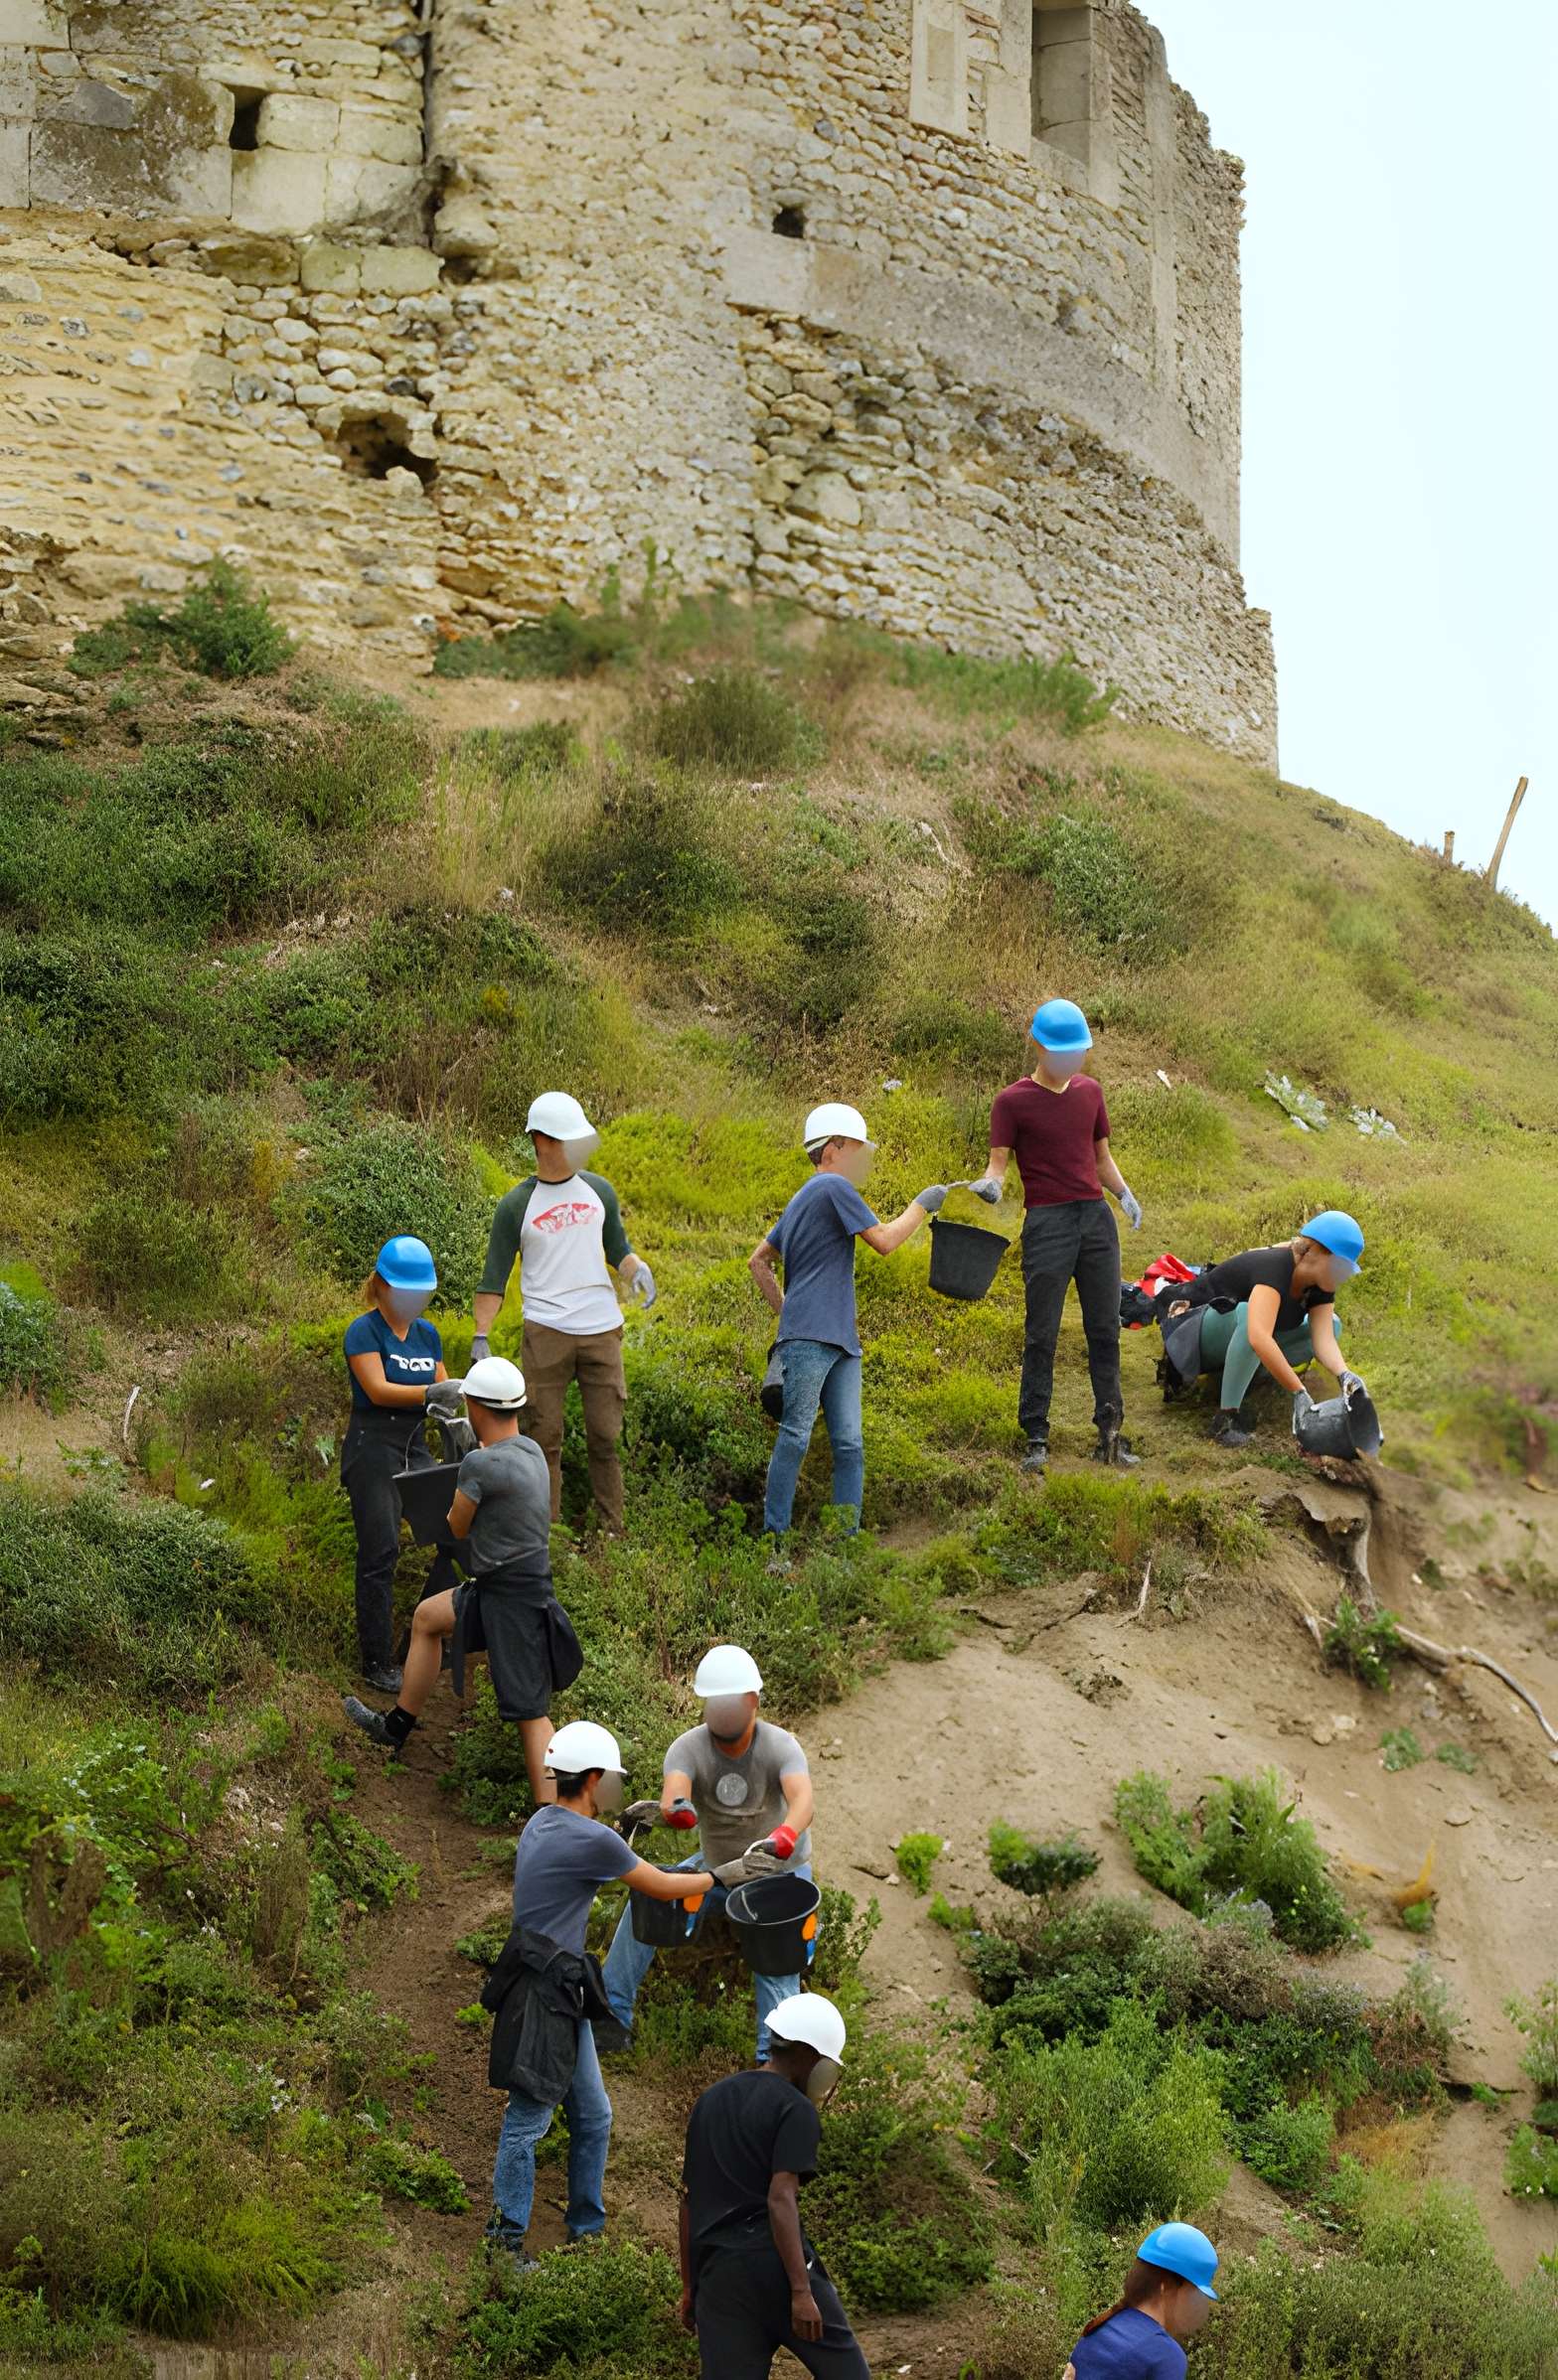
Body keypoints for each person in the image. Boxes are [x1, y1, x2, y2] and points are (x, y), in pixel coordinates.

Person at [482, 1719, 716, 2267]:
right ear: (590, 1778)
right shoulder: (593, 1839)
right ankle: (503, 2245)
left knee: (593, 2114)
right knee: (527, 2121)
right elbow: (660, 1885)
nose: (613, 1788)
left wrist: (624, 1830)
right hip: (547, 1995)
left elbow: (588, 1866)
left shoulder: (543, 1821)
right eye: (608, 1780)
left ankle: (586, 2229)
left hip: (556, 1989)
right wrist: (721, 1875)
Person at [342, 1357, 577, 1809]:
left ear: (474, 1407)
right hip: (500, 1587)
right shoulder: (531, 1452)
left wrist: (459, 1482)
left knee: (531, 1713)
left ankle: (554, 1820)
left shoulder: (477, 1465)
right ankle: (396, 1728)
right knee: (428, 1618)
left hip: (514, 1598)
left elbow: (457, 1526)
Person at [602, 1644, 815, 2058]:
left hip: (779, 1875)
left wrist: (786, 1835)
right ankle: (611, 2017)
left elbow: (802, 1799)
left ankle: (772, 2060)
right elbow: (676, 1789)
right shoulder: (688, 1748)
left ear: (752, 1702)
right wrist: (675, 1810)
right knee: (650, 1897)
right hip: (718, 1869)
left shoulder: (780, 1746)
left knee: (776, 1960)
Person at [750, 1101, 946, 1544]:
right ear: (833, 1148)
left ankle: (842, 1541)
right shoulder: (833, 1188)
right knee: (802, 1436)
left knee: (846, 1443)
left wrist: (788, 1313)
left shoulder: (803, 1197)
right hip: (816, 1338)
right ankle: (778, 1541)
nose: (862, 1160)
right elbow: (885, 1241)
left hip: (838, 1340)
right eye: (857, 1149)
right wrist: (922, 1205)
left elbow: (758, 1261)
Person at [470, 1091, 654, 1538]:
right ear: (540, 1140)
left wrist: (636, 1270)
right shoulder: (516, 1205)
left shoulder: (599, 1192)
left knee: (606, 1437)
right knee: (542, 1439)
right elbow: (495, 1276)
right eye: (565, 1138)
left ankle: (613, 1532)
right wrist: (481, 1335)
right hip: (546, 1331)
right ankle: (547, 1540)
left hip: (600, 1330)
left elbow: (617, 1249)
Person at [973, 998, 1143, 1476]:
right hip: (1047, 1222)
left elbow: (1101, 1157)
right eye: (1065, 1051)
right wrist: (991, 1186)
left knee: (1105, 1327)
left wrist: (1124, 1194)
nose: (1074, 1061)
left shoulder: (1090, 1092)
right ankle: (1036, 1436)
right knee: (1042, 1332)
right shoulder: (1011, 1101)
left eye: (1079, 1052)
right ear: (1041, 1047)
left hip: (1095, 1220)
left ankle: (1110, 1432)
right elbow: (998, 1164)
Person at [680, 1994, 867, 2380]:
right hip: (776, 2267)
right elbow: (780, 2199)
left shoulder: (710, 2100)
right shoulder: (796, 2110)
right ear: (808, 2054)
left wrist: (690, 2287)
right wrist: (801, 2291)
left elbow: (688, 2203)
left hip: (720, 2279)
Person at [340, 1235, 465, 1694]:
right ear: (384, 1286)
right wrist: (432, 1394)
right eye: (407, 1290)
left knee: (451, 1531)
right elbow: (376, 1389)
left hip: (415, 1442)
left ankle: (427, 1638)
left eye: (423, 1292)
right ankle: (375, 1660)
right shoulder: (363, 1331)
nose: (415, 1300)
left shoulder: (427, 1334)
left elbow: (446, 1388)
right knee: (381, 1550)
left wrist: (459, 1413)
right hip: (373, 1445)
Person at [1160, 1211, 1365, 1448]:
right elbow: (1258, 1337)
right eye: (1341, 1266)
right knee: (1251, 1318)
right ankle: (1225, 1419)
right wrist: (1299, 1392)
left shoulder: (1320, 1283)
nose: (1344, 1276)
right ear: (1315, 1251)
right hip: (1190, 1333)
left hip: (1232, 1340)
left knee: (1333, 1323)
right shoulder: (1275, 1268)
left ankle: (1243, 1383)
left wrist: (1345, 1375)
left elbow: (1324, 1340)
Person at [1069, 2223, 1219, 2376]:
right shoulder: (1165, 2356)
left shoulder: (1100, 2328)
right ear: (1166, 2287)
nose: (1195, 2303)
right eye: (1193, 2291)